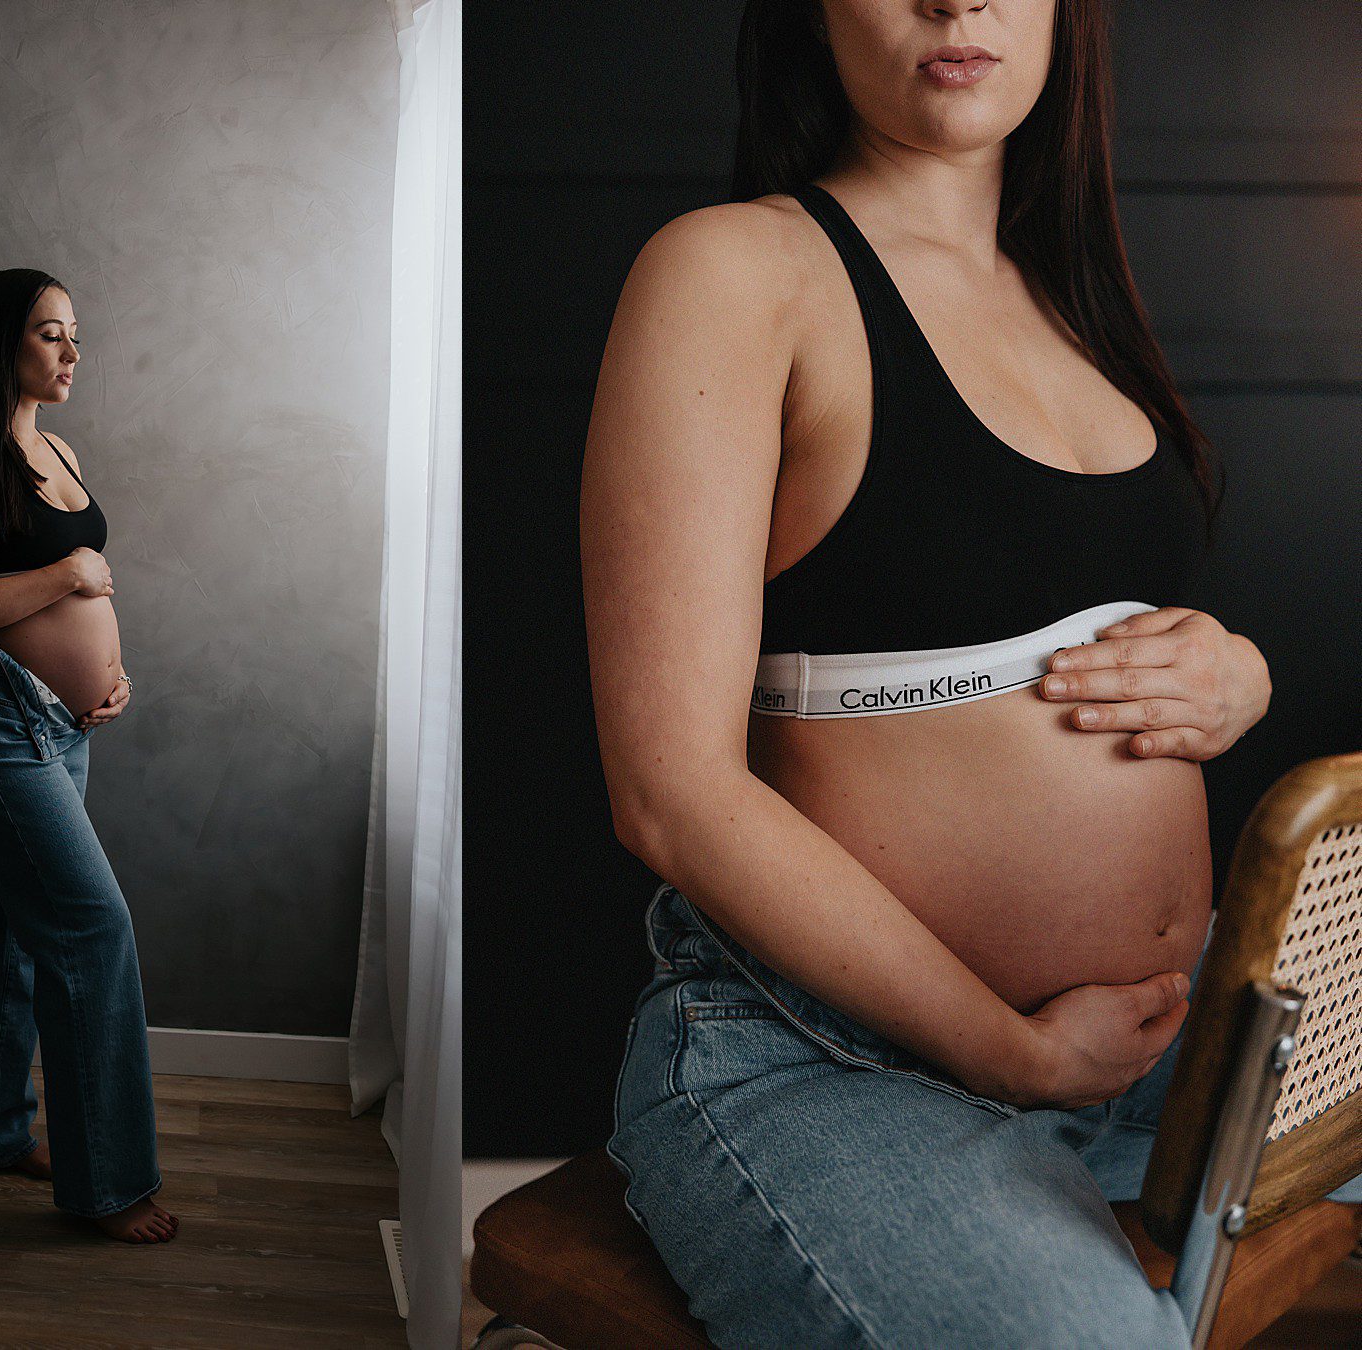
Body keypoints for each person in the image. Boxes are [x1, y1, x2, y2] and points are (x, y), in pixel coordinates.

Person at [580, 2, 1359, 1343]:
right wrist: (1014, 1051)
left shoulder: (1068, 293)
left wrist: (1237, 676)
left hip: (1168, 1040)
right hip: (832, 1063)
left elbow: (1082, 620)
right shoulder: (734, 272)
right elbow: (669, 791)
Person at [0, 268, 175, 1244]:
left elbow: (78, 603)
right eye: (51, 335)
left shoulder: (57, 448)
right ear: (2, 345)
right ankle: (108, 1183)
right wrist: (69, 573)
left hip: (63, 728)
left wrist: (106, 674)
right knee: (92, 928)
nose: (72, 353)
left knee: (20, 934)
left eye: (75, 335)